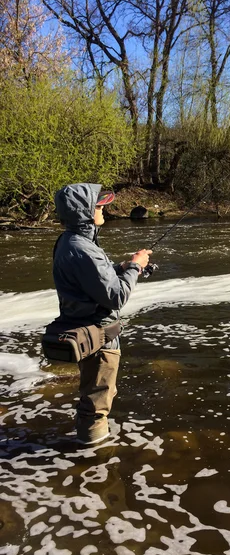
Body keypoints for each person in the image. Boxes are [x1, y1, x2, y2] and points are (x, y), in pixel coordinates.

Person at [52, 183, 151, 444]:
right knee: (97, 402)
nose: (104, 209)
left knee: (95, 393)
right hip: (98, 336)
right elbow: (116, 297)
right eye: (99, 205)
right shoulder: (83, 249)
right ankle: (94, 458)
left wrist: (124, 266)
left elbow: (93, 279)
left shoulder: (71, 241)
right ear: (84, 212)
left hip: (84, 329)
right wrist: (135, 268)